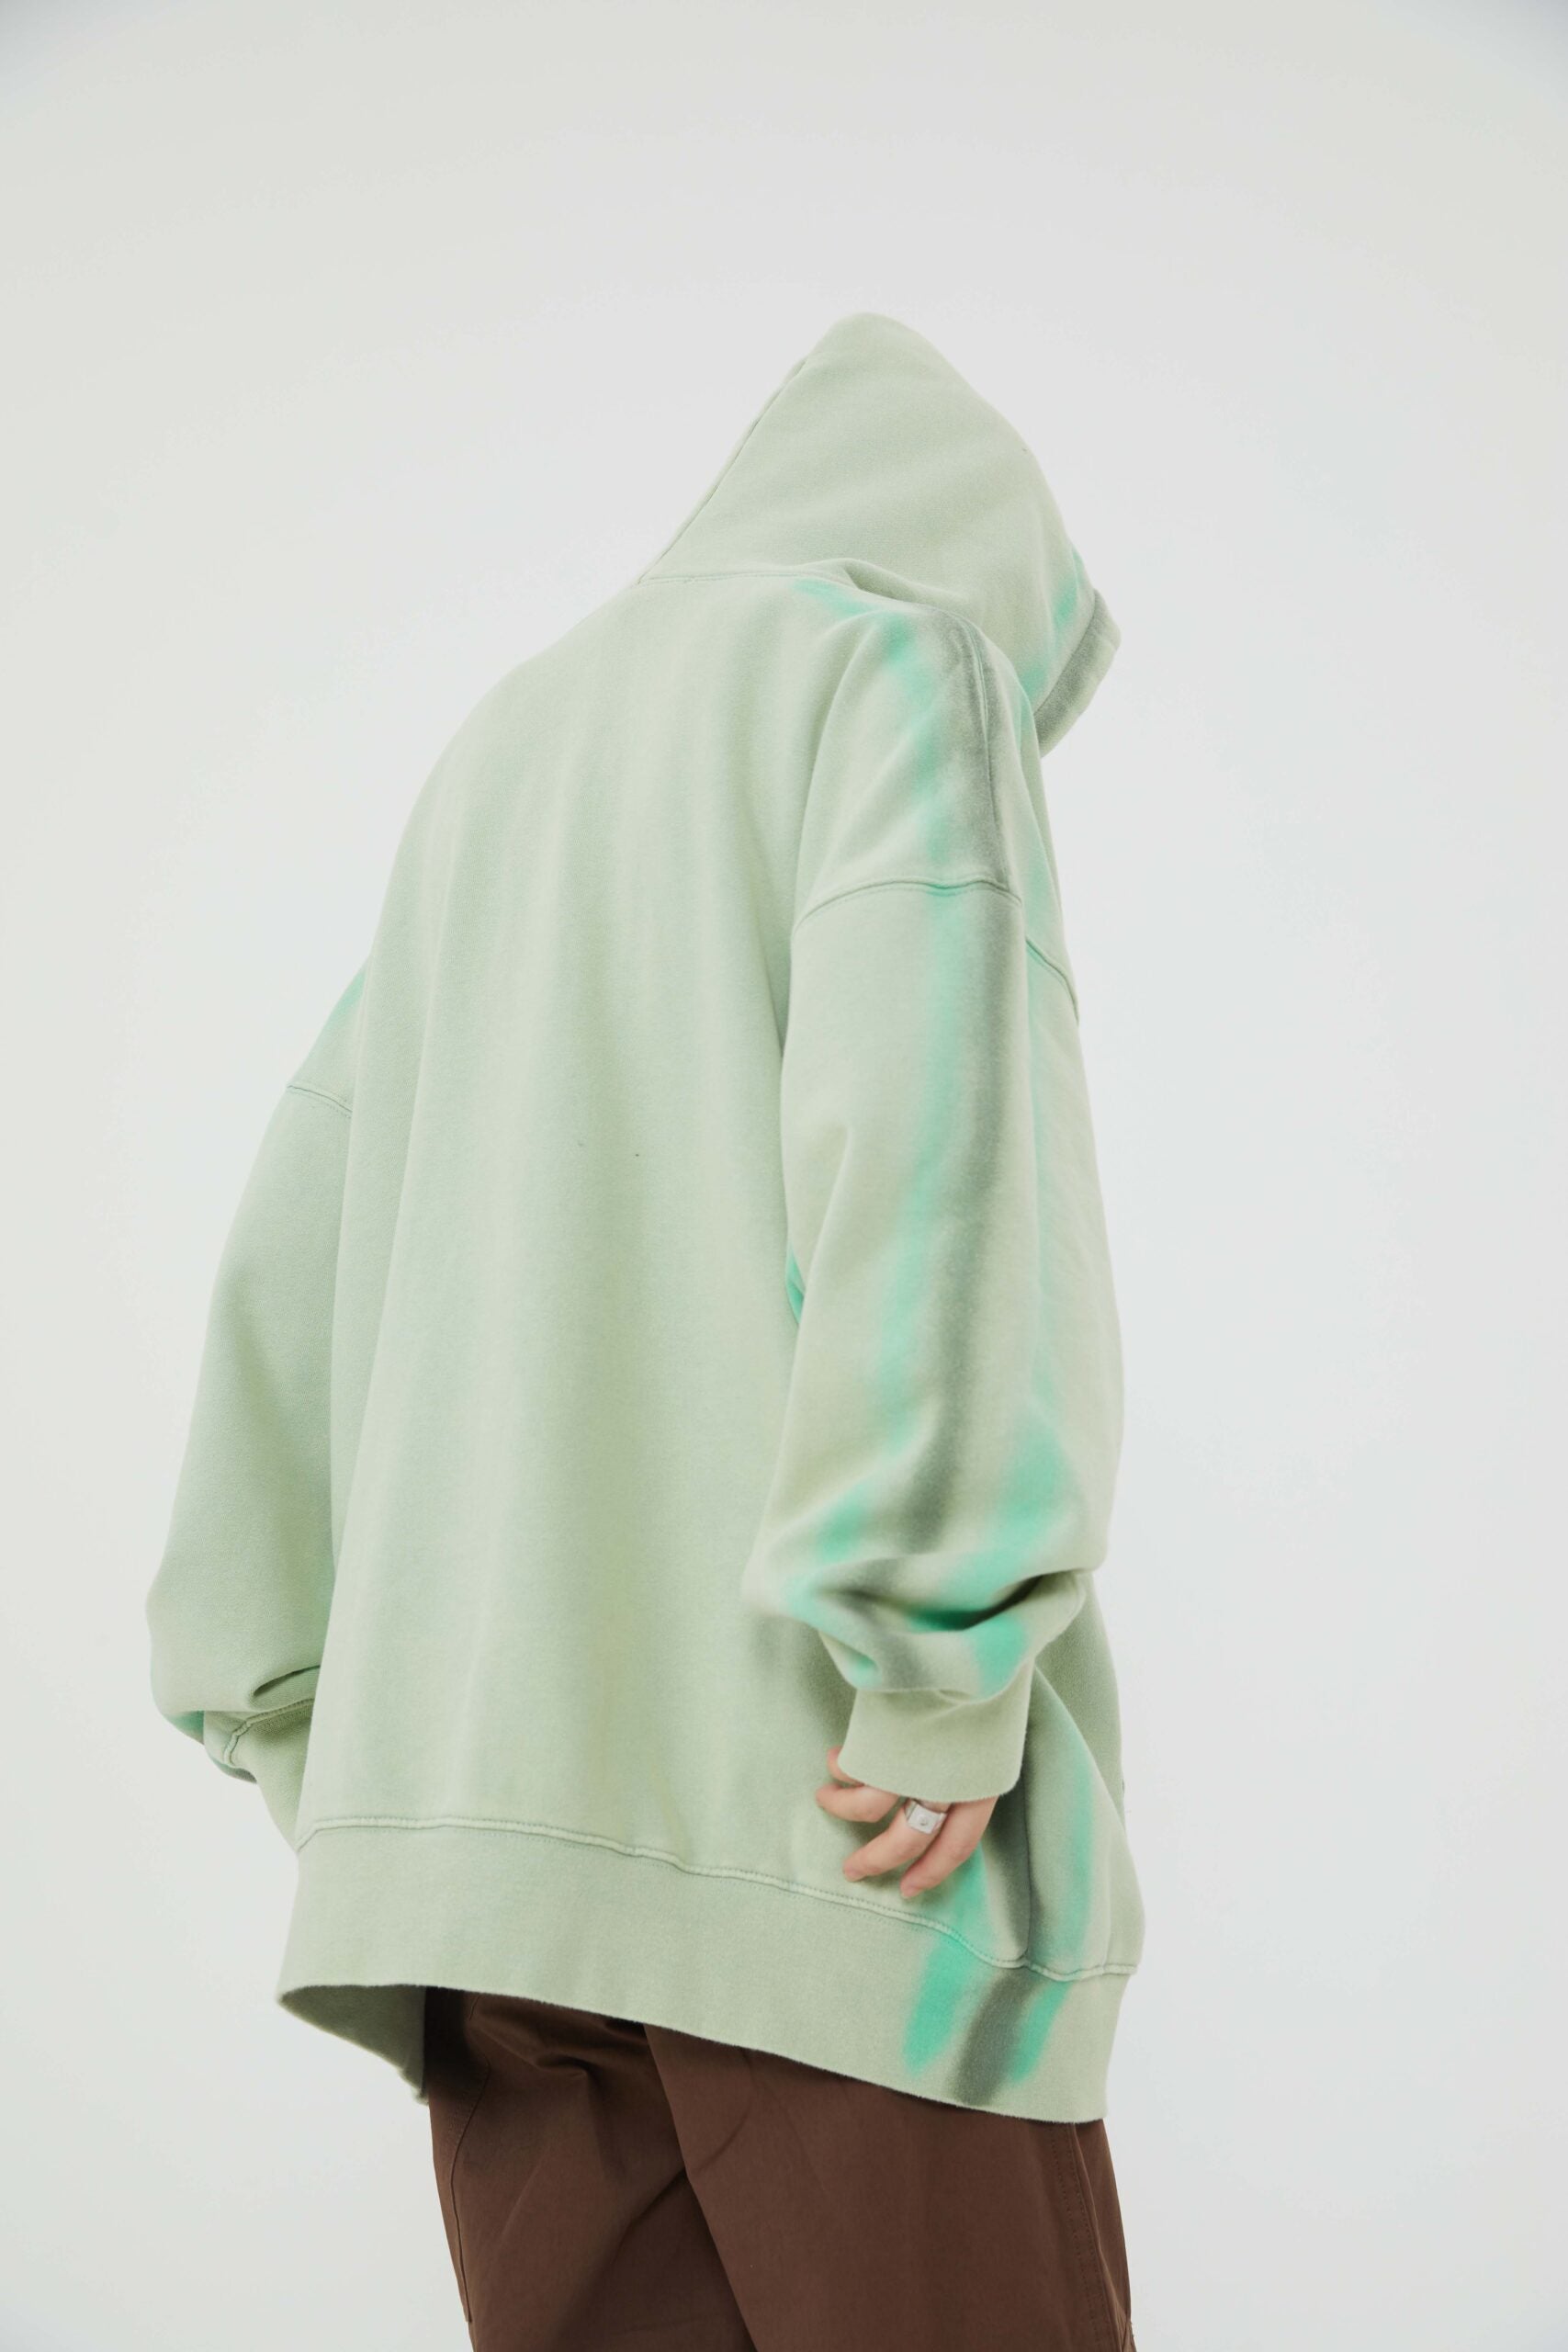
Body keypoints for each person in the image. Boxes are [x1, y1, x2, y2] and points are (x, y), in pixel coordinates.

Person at [145, 310, 1145, 2350]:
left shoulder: (500, 757)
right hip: (837, 1878)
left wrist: (361, 1751)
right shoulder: (897, 671)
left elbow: (288, 1265)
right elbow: (943, 1162)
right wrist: (935, 1669)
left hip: (486, 1917)